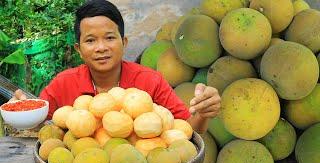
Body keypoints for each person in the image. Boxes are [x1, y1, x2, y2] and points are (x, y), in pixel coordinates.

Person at [10, 0, 221, 133]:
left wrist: (203, 113)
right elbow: (41, 126)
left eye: (110, 38)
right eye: (90, 41)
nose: (101, 48)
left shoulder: (150, 80)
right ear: (78, 49)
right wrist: (24, 113)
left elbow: (188, 130)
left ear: (124, 42)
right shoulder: (64, 83)